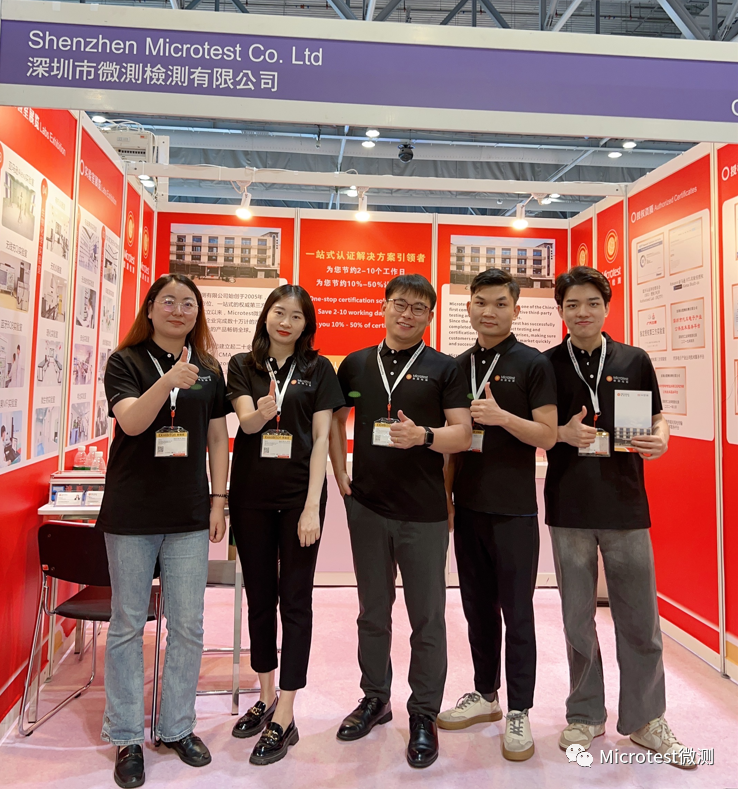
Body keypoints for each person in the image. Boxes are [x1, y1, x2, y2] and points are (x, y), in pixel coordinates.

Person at [544, 266, 695, 768]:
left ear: (607, 307)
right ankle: (586, 713)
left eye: (592, 303)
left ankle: (647, 719)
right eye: (572, 305)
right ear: (560, 311)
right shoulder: (547, 364)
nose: (582, 313)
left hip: (626, 506)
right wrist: (562, 434)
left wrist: (663, 437)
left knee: (640, 620)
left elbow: (656, 417)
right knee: (576, 618)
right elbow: (536, 431)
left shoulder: (634, 359)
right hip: (568, 508)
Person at [330, 274, 472, 769]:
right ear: (384, 307)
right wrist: (340, 473)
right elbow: (334, 421)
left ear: (430, 315)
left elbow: (462, 434)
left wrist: (424, 436)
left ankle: (423, 712)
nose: (406, 314)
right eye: (399, 304)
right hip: (368, 508)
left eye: (417, 308)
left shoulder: (445, 367)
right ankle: (376, 698)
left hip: (423, 514)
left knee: (427, 617)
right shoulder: (355, 363)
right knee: (372, 612)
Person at [97, 273, 230, 789]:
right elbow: (131, 422)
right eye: (168, 301)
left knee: (188, 625)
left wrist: (219, 500)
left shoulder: (210, 369)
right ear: (150, 309)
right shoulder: (125, 362)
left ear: (198, 313)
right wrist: (168, 381)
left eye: (188, 303)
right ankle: (127, 735)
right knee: (128, 624)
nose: (178, 310)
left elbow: (217, 438)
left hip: (189, 514)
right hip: (132, 512)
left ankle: (176, 726)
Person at [439, 269, 557, 761]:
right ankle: (486, 695)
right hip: (468, 509)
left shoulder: (533, 364)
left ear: (516, 309)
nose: (489, 312)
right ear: (468, 307)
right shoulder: (456, 366)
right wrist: (447, 501)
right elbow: (452, 447)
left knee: (518, 613)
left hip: (514, 512)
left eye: (500, 304)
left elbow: (548, 435)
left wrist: (502, 418)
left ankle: (519, 711)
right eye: (481, 302)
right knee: (476, 608)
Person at [227, 285, 344, 766]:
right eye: (279, 312)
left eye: (297, 316)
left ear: (306, 325)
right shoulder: (243, 365)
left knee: (296, 600)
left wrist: (313, 505)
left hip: (299, 499)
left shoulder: (319, 369)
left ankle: (286, 713)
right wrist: (262, 411)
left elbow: (322, 438)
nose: (286, 323)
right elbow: (247, 426)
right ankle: (266, 694)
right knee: (260, 598)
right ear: (266, 316)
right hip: (250, 499)